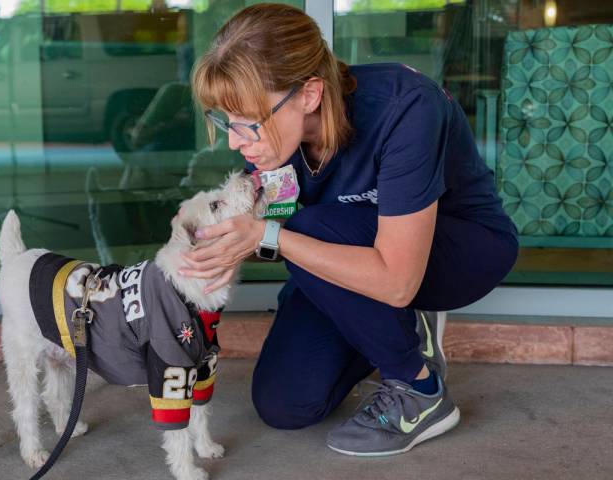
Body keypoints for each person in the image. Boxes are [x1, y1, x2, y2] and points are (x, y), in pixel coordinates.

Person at [177, 3, 518, 456]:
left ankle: (420, 389)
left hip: (456, 249)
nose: (237, 141)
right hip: (343, 252)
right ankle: (397, 328)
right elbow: (270, 232)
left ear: (310, 94)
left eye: (248, 124)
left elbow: (392, 280)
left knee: (301, 224)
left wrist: (267, 236)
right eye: (225, 121)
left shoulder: (406, 107)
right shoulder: (273, 140)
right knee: (285, 404)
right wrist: (208, 244)